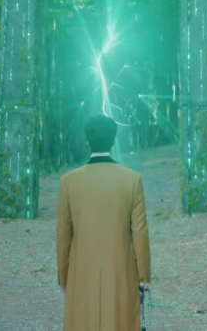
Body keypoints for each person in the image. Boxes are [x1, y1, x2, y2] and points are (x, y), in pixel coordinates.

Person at [56, 114, 151, 331]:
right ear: (113, 139)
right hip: (121, 271)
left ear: (87, 141)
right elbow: (139, 232)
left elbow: (64, 235)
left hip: (81, 271)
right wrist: (143, 275)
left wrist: (64, 276)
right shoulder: (131, 180)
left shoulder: (69, 182)